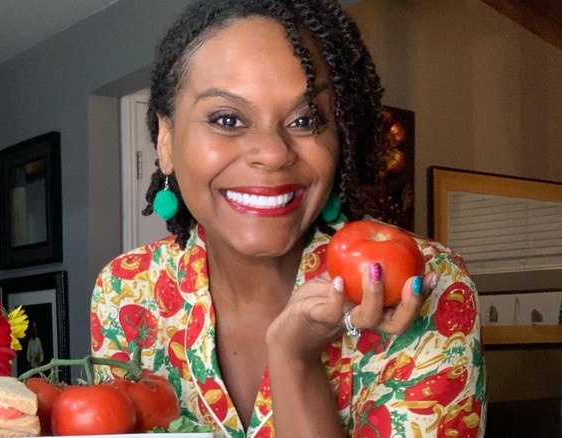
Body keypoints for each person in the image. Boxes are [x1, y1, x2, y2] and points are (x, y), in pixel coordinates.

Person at [90, 1, 486, 436]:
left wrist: (294, 358)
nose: (274, 153)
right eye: (227, 119)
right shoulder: (126, 291)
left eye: (306, 119)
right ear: (165, 141)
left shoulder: (427, 285)